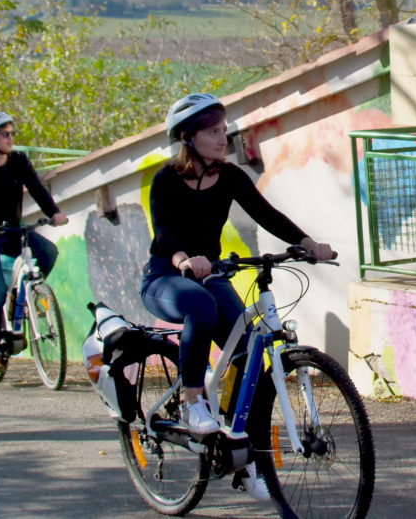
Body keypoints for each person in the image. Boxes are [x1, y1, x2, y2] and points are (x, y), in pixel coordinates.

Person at [140, 93, 332, 498]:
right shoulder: (165, 180)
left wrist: (307, 242)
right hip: (165, 278)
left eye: (223, 128)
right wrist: (184, 261)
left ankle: (244, 459)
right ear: (188, 138)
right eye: (213, 131)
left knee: (249, 355)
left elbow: (266, 214)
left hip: (211, 275)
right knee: (201, 304)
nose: (222, 136)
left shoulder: (229, 177)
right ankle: (194, 401)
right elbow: (165, 235)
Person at [0, 112, 68, 372]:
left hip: (12, 232)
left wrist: (53, 213)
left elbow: (37, 188)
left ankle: (24, 295)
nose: (10, 138)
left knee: (48, 252)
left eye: (12, 133)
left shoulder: (18, 161)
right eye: (4, 134)